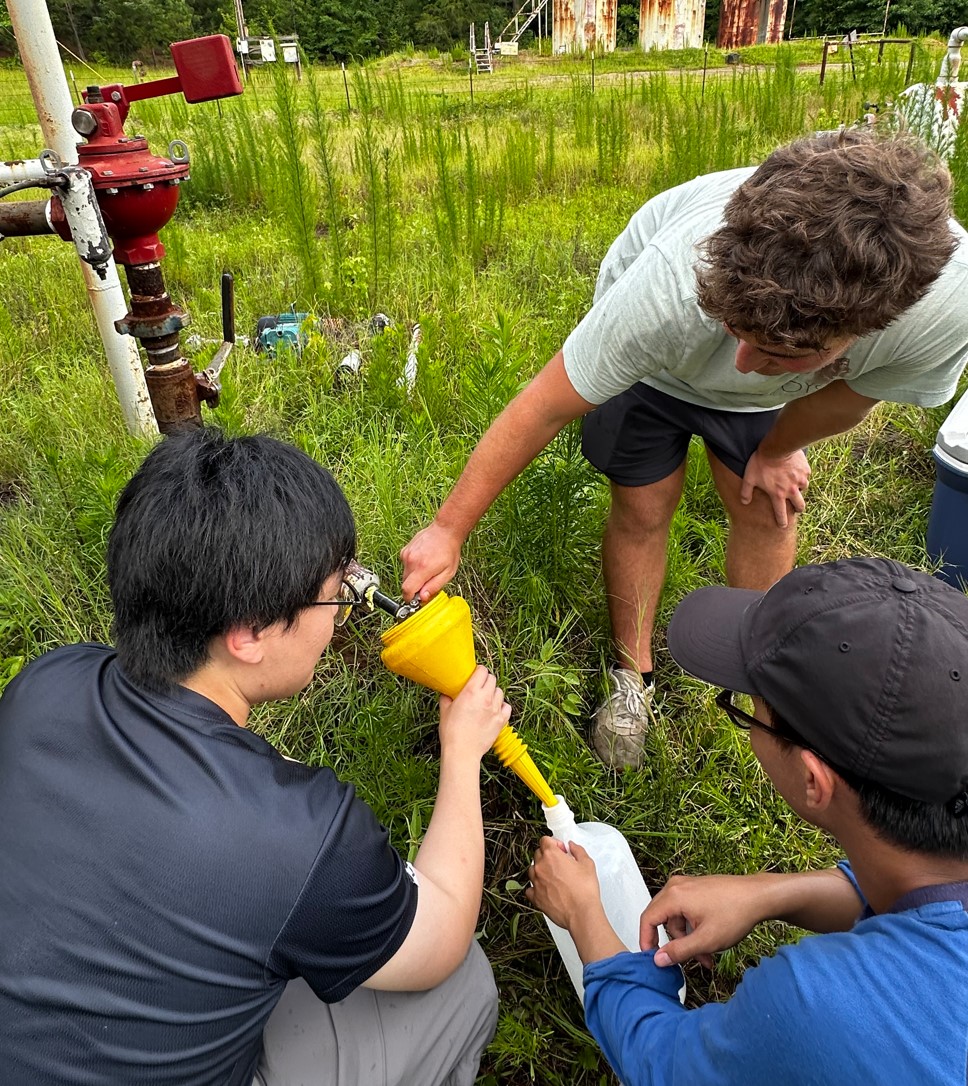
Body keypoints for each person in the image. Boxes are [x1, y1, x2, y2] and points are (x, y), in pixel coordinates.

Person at [400, 130, 968, 769]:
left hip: (768, 377)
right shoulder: (666, 289)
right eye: (737, 336)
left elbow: (852, 397)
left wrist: (778, 448)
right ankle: (630, 679)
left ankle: (764, 687)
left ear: (866, 328)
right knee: (643, 507)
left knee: (766, 507)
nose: (745, 364)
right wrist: (447, 530)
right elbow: (544, 405)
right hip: (658, 364)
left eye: (777, 356)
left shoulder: (944, 305)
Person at [0, 428, 510, 1086]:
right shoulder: (301, 837)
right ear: (249, 634)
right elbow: (439, 940)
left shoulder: (47, 682)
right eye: (332, 596)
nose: (338, 617)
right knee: (462, 984)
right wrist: (463, 752)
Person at [526, 556, 968, 1084]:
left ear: (813, 780)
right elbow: (927, 909)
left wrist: (584, 917)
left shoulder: (820, 1010)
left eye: (750, 710)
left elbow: (662, 1063)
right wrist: (768, 894)